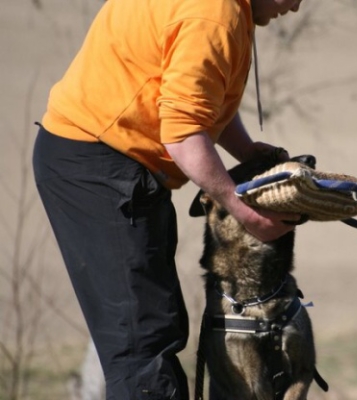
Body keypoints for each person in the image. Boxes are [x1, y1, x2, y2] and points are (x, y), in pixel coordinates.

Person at [32, 0, 304, 398]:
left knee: (154, 329)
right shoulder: (214, 14)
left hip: (102, 161)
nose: (296, 6)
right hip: (98, 167)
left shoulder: (224, 10)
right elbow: (181, 132)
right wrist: (242, 210)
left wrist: (247, 152)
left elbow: (195, 97)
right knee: (142, 347)